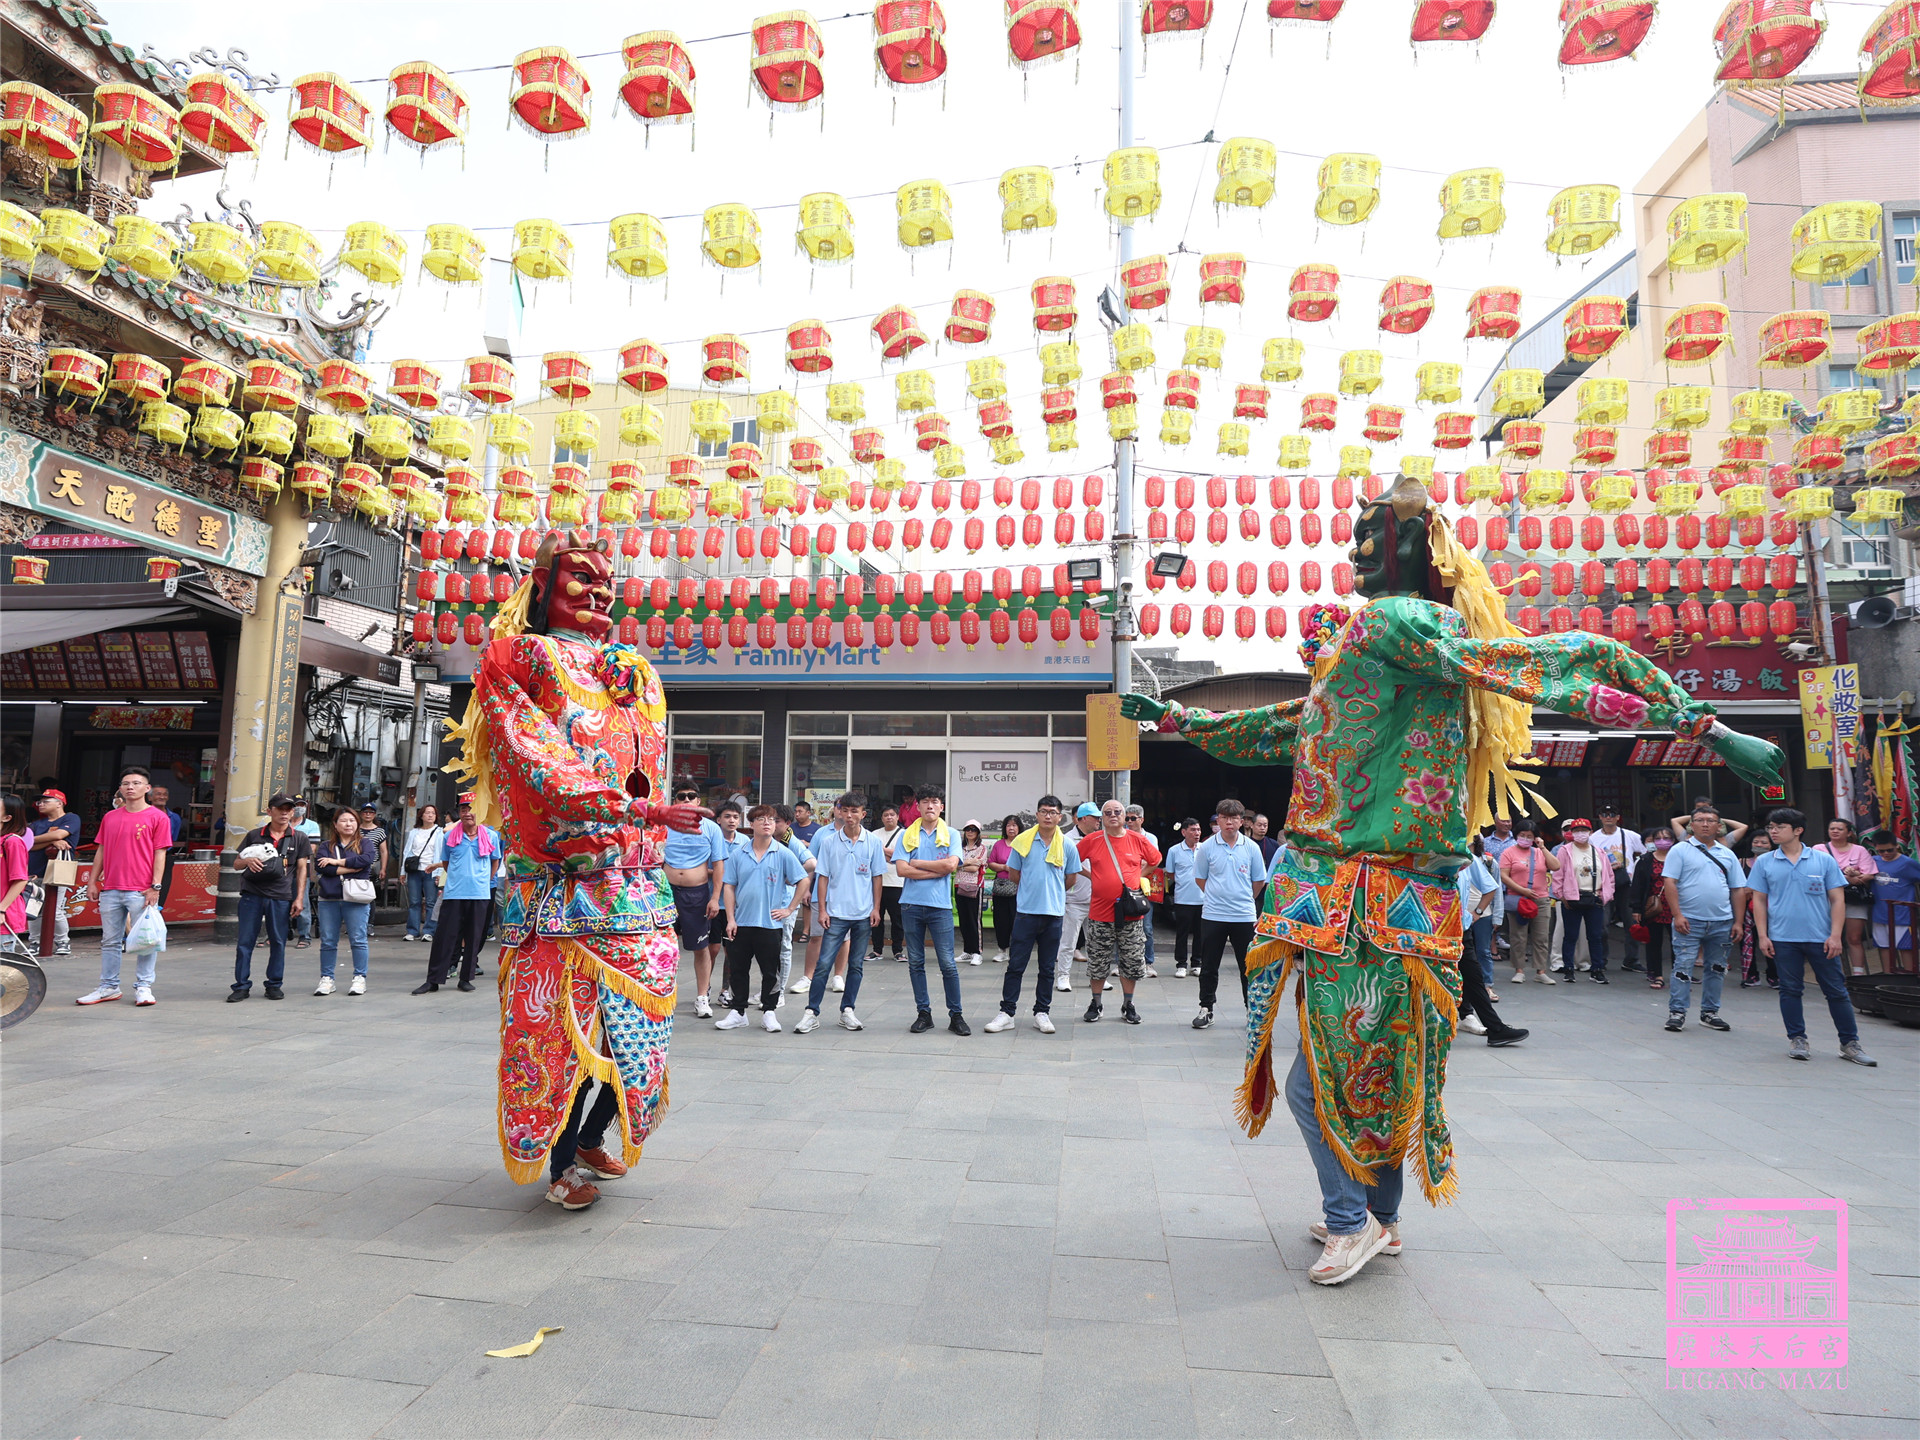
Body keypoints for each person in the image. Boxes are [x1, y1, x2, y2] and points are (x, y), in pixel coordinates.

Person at [1121, 474, 1784, 1286]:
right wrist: (1180, 720)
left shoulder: (1392, 622)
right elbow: (1283, 728)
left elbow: (1562, 662)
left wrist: (1703, 725)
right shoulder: (1376, 648)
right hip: (1382, 899)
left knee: (1319, 1082)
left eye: (1374, 534)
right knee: (1380, 1068)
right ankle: (1382, 1219)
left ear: (1416, 547)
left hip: (1359, 897)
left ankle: (1351, 1220)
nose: (1356, 547)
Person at [442, 527, 705, 1210]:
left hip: (638, 890)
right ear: (542, 584)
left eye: (606, 580)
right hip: (559, 892)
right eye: (581, 577)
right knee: (560, 1035)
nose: (599, 590)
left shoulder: (634, 670)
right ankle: (559, 1166)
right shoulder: (519, 658)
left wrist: (645, 818)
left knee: (637, 1040)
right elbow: (538, 760)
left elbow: (644, 767)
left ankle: (589, 1136)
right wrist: (639, 812)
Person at [1748, 808, 1875, 1066]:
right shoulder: (1764, 862)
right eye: (1771, 827)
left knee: (1836, 991)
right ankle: (1797, 1039)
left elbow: (1837, 900)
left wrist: (1835, 936)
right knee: (1790, 990)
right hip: (1783, 938)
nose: (1773, 831)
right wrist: (1763, 935)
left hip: (1821, 938)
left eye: (1779, 827)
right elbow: (1759, 900)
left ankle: (1849, 1043)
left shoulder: (1823, 860)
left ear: (1798, 830)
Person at [987, 794, 1082, 1033]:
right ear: (1037, 815)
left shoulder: (1068, 845)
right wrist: (1031, 890)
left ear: (1060, 817)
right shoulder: (1023, 841)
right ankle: (1007, 1013)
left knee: (1047, 968)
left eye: (1053, 812)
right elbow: (1014, 874)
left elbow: (1071, 878)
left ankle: (1042, 1012)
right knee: (1015, 965)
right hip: (1026, 913)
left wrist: (1052, 892)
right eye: (1044, 811)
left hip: (1053, 914)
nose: (1048, 816)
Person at [797, 792, 886, 1033]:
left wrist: (876, 908)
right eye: (844, 810)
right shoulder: (829, 842)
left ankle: (848, 1010)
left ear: (863, 814)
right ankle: (811, 1012)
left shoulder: (873, 842)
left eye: (854, 811)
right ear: (838, 811)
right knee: (823, 964)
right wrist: (822, 910)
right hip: (835, 914)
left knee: (856, 966)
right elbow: (823, 877)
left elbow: (877, 877)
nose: (848, 815)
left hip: (863, 914)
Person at [718, 805, 809, 1032]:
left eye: (771, 819)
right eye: (761, 819)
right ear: (751, 824)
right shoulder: (739, 854)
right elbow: (729, 887)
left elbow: (803, 880)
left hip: (770, 924)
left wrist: (789, 909)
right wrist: (730, 919)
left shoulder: (783, 853)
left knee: (770, 971)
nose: (767, 823)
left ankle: (769, 1011)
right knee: (738, 969)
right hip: (742, 922)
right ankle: (738, 1012)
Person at [1659, 806, 1748, 1034]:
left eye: (1711, 820)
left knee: (1717, 968)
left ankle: (1710, 1012)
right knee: (1683, 966)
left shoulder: (1727, 853)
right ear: (1691, 825)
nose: (1705, 824)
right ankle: (1677, 1012)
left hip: (1722, 921)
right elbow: (1670, 883)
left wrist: (1738, 922)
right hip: (1689, 920)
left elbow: (1738, 889)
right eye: (1700, 820)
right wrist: (1677, 915)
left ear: (1719, 826)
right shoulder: (1680, 850)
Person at [1077, 798, 1160, 1025]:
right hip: (1099, 914)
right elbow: (1072, 860)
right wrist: (1091, 876)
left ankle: (1128, 1004)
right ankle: (1096, 1003)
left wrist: (1138, 875)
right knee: (1097, 962)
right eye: (1107, 813)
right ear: (1101, 818)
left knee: (1131, 961)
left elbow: (1155, 859)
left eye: (1117, 812)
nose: (1113, 815)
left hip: (1131, 915)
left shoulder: (1137, 839)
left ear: (1125, 816)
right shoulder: (1092, 840)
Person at [894, 785, 968, 1034]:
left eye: (935, 801)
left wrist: (917, 863)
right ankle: (923, 1013)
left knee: (947, 963)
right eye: (925, 801)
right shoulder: (907, 834)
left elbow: (951, 866)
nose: (930, 806)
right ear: (918, 806)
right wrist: (936, 870)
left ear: (941, 807)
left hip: (940, 907)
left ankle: (956, 1015)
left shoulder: (952, 834)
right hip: (911, 905)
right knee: (916, 962)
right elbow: (901, 870)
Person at [227, 791, 311, 1004]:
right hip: (252, 894)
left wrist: (299, 898)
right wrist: (247, 861)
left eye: (288, 810)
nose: (285, 813)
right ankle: (241, 986)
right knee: (245, 942)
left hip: (280, 896)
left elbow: (302, 869)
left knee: (278, 942)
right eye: (280, 809)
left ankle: (274, 985)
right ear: (269, 811)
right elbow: (236, 863)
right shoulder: (255, 835)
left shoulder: (299, 837)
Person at [413, 794, 499, 994]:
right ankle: (433, 980)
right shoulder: (449, 836)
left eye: (471, 809)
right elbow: (446, 863)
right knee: (444, 937)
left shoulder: (491, 836)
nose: (467, 813)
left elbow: (495, 860)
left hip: (479, 894)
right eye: (463, 810)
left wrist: (485, 881)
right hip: (454, 893)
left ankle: (465, 978)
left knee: (474, 937)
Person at [1191, 798, 1263, 1029]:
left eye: (1233, 818)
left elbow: (1258, 881)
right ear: (1218, 821)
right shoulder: (1207, 847)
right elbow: (1200, 878)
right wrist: (1218, 896)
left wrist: (1243, 898)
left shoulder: (1251, 847)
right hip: (1214, 914)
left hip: (1244, 915)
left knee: (1248, 967)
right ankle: (1206, 1008)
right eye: (1224, 818)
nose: (1229, 822)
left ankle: (1251, 1010)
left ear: (1242, 822)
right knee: (1209, 965)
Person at [662, 783, 728, 1018]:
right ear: (675, 801)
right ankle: (662, 995)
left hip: (697, 895)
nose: (687, 800)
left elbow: (719, 865)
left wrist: (715, 898)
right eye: (682, 796)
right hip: (665, 893)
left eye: (691, 796)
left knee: (701, 947)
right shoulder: (664, 826)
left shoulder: (711, 828)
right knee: (662, 946)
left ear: (699, 801)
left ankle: (702, 998)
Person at [1457, 837, 1526, 1044]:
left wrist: (1476, 913)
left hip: (1460, 929)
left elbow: (1490, 887)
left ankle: (1494, 1028)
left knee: (1474, 978)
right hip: (1430, 930)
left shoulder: (1467, 857)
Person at [312, 806, 376, 996]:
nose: (348, 824)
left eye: (352, 820)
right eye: (344, 820)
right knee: (328, 941)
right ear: (335, 824)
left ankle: (359, 978)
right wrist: (350, 868)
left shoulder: (365, 843)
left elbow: (366, 861)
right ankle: (327, 978)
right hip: (329, 898)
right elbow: (322, 867)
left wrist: (336, 862)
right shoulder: (326, 846)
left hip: (356, 898)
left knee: (358, 939)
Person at [1549, 818, 1613, 984]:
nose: (1580, 834)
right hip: (1572, 898)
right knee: (1570, 935)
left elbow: (1608, 875)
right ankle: (1568, 969)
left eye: (1584, 830)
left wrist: (1605, 895)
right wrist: (1561, 896)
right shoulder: (1565, 851)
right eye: (1576, 831)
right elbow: (1558, 875)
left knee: (1595, 936)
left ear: (1590, 832)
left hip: (1594, 897)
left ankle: (1597, 969)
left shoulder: (1599, 852)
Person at [1815, 819, 1878, 977]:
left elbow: (1869, 875)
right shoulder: (1818, 849)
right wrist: (1847, 878)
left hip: (1853, 898)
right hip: (1826, 899)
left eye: (1840, 829)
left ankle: (1858, 975)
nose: (1835, 831)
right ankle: (1832, 974)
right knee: (1826, 937)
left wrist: (1855, 876)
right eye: (1832, 828)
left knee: (1854, 938)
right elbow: (1815, 874)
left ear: (1849, 833)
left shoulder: (1859, 850)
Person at [1499, 820, 1558, 983]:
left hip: (1541, 898)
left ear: (1535, 838)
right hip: (1518, 898)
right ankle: (1519, 970)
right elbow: (1504, 875)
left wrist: (1543, 847)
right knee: (1518, 936)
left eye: (1529, 836)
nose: (1525, 838)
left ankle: (1541, 971)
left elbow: (1556, 866)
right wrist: (1522, 890)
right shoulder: (1509, 852)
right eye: (1522, 835)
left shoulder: (1539, 852)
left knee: (1541, 936)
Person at [26, 788, 81, 957]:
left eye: (45, 801)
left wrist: (54, 837)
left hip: (58, 870)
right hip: (35, 871)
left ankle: (63, 941)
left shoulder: (71, 818)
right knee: (34, 909)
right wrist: (53, 840)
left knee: (56, 909)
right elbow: (27, 844)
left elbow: (61, 833)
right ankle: (35, 942)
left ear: (59, 803)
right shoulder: (37, 824)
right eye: (39, 802)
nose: (40, 804)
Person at [770, 805, 817, 999]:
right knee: (768, 948)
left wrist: (792, 876)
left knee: (784, 947)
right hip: (768, 901)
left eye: (777, 821)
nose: (772, 824)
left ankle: (779, 991)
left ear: (787, 823)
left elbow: (812, 863)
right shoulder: (768, 840)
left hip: (786, 902)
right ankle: (769, 988)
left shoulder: (792, 842)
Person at [1590, 805, 1644, 972]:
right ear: (1600, 817)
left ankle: (1632, 960)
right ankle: (1600, 960)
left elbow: (1646, 853)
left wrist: (1634, 868)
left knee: (1632, 923)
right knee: (1602, 924)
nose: (1609, 817)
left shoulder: (1629, 835)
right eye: (1605, 814)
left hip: (1626, 883)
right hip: (1603, 884)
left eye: (1612, 814)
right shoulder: (1593, 838)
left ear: (1618, 817)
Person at [1055, 802, 1102, 991]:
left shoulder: (1101, 837)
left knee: (1097, 943)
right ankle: (1063, 976)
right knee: (1068, 942)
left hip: (1097, 900)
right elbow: (1068, 864)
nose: (1099, 820)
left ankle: (1097, 978)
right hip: (1073, 900)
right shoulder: (1067, 839)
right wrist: (1092, 876)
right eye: (1095, 817)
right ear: (1083, 818)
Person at [1629, 827, 1677, 990]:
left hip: (1676, 907)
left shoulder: (1679, 858)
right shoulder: (1645, 860)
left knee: (1678, 943)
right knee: (1654, 942)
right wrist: (1636, 909)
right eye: (1659, 838)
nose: (1663, 841)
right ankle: (1657, 975)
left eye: (1667, 838)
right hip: (1653, 907)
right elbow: (1638, 886)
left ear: (1673, 840)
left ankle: (1679, 976)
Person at [1867, 830, 1920, 976]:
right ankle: (1888, 976)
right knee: (1884, 946)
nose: (1886, 853)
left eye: (1890, 850)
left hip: (1903, 914)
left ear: (1897, 846)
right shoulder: (1873, 862)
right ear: (1875, 848)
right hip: (1880, 913)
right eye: (1881, 851)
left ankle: (1910, 978)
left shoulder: (1907, 863)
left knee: (1906, 947)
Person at [1124, 805, 1161, 977]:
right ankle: (1120, 962)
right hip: (1124, 887)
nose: (1129, 822)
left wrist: (1136, 871)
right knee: (1121, 925)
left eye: (1133, 818)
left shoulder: (1150, 838)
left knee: (1146, 927)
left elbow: (1152, 860)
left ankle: (1148, 962)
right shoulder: (1121, 836)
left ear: (1141, 819)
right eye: (1127, 818)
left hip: (1143, 887)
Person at [1166, 817, 1205, 978]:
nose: (1197, 833)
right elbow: (1170, 873)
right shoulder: (1174, 850)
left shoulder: (1204, 849)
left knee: (1200, 933)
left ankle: (1197, 963)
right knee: (1182, 933)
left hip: (1203, 898)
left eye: (1198, 830)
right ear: (1184, 832)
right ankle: (1181, 964)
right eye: (1193, 830)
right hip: (1183, 898)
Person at [402, 804, 444, 942]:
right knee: (414, 902)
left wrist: (439, 872)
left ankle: (429, 931)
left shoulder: (440, 832)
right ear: (421, 815)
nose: (430, 815)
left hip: (431, 870)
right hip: (414, 870)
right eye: (427, 812)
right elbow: (407, 852)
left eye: (433, 813)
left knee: (431, 902)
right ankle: (412, 931)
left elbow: (442, 853)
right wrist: (403, 871)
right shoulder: (414, 832)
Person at [1739, 831, 1777, 987]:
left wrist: (1753, 890)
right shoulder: (1741, 863)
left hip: (1771, 910)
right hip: (1745, 910)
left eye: (1764, 843)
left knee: (1772, 941)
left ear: (1771, 845)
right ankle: (1750, 975)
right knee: (1746, 942)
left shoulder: (1777, 863)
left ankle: (1774, 975)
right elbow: (1735, 886)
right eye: (1756, 842)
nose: (1759, 845)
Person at [986, 815, 1021, 963]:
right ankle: (1002, 950)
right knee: (1001, 921)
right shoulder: (999, 844)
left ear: (1019, 828)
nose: (1011, 828)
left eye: (1014, 825)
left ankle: (1016, 951)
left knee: (1017, 921)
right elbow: (991, 863)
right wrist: (1005, 867)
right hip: (1001, 888)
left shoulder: (1023, 844)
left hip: (1019, 888)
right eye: (1008, 825)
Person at [0, 795, 32, 955]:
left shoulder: (13, 842)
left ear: (7, 818)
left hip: (4, 917)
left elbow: (20, 880)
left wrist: (1, 910)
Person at [873, 804, 905, 963]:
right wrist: (889, 855)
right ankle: (876, 950)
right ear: (882, 818)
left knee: (897, 920)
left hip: (897, 883)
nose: (889, 817)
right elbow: (872, 855)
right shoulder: (874, 834)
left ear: (898, 817)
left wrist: (882, 850)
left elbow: (900, 856)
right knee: (876, 918)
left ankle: (898, 951)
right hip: (877, 883)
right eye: (886, 815)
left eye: (892, 814)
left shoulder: (904, 834)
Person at [954, 821, 988, 965]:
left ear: (978, 832)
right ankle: (967, 951)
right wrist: (968, 862)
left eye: (973, 829)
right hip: (959, 885)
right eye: (967, 829)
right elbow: (954, 864)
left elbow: (976, 867)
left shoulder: (982, 848)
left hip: (975, 886)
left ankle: (977, 952)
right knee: (963, 920)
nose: (970, 832)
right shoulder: (959, 847)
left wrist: (962, 864)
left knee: (974, 920)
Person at [148, 784, 185, 907]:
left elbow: (173, 838)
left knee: (162, 887)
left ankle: (157, 911)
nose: (162, 797)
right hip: (146, 856)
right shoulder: (144, 815)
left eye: (165, 794)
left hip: (166, 856)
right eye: (158, 794)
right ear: (150, 797)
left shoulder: (175, 818)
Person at [290, 801, 321, 944]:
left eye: (302, 805)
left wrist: (291, 852)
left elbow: (310, 849)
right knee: (278, 902)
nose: (299, 808)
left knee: (302, 900)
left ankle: (304, 935)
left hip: (302, 868)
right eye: (296, 805)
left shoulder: (311, 825)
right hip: (281, 869)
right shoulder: (283, 824)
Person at [357, 802, 390, 886]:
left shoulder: (380, 832)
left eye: (371, 812)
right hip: (356, 866)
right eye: (365, 812)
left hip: (372, 868)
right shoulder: (355, 830)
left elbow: (383, 851)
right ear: (361, 814)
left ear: (374, 814)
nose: (368, 814)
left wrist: (383, 869)